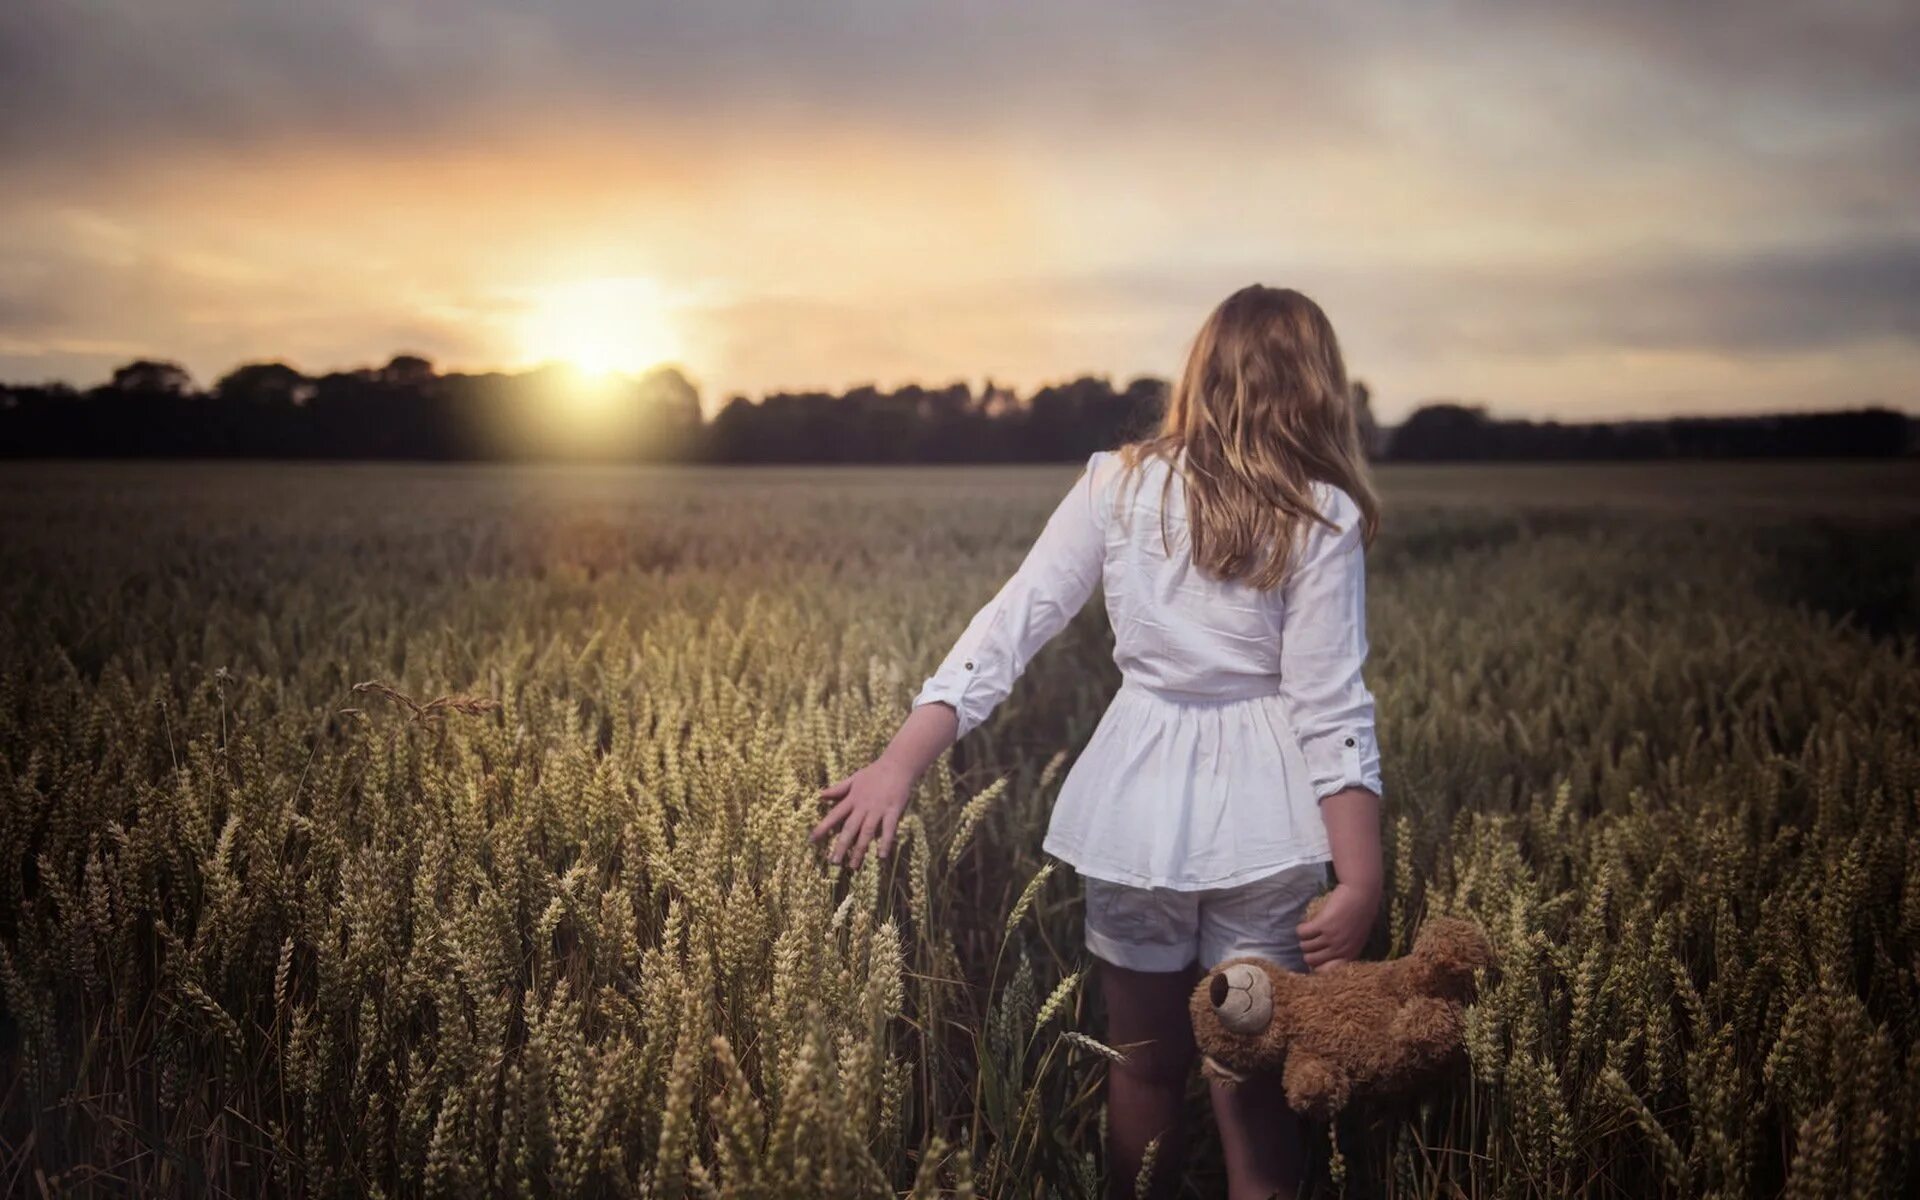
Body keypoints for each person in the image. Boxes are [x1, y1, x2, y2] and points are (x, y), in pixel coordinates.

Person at [810, 284, 1384, 1200]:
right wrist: (1360, 877)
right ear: (1320, 388)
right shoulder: (1322, 516)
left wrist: (898, 762)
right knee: (1249, 1086)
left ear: (1200, 372)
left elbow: (1009, 627)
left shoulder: (1115, 483)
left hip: (1136, 816)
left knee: (1143, 1064)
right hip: (1264, 830)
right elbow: (1331, 707)